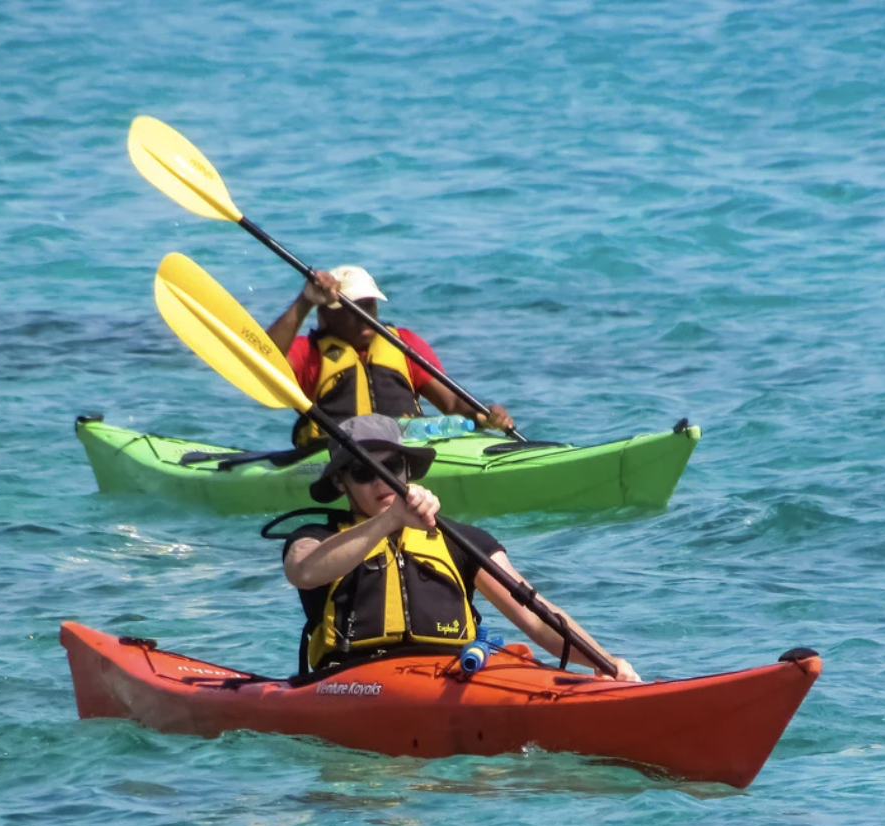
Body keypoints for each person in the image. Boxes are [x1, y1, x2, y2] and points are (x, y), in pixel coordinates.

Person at [279, 414, 639, 681]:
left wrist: (603, 662)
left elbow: (534, 613)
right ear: (341, 482)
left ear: (406, 468)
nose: (380, 481)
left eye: (390, 466)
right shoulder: (318, 537)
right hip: (356, 681)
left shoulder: (462, 542)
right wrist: (390, 520)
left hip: (453, 678)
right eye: (363, 472)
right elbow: (303, 571)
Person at [265, 265, 514, 447]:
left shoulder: (403, 343)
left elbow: (451, 404)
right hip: (337, 455)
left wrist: (485, 414)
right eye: (352, 308)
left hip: (407, 446)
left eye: (369, 306)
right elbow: (263, 361)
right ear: (325, 316)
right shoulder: (309, 352)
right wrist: (304, 303)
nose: (364, 315)